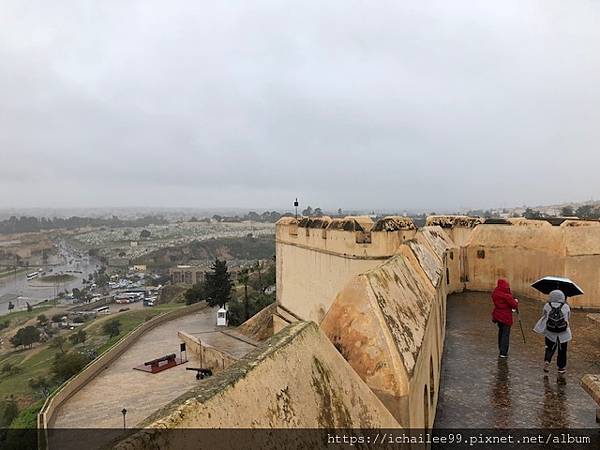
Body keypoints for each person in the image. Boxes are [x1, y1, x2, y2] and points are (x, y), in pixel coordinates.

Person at [533, 289, 571, 374]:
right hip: (563, 332)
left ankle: (547, 360)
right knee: (562, 350)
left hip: (550, 331)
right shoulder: (566, 306)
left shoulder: (547, 305)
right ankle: (561, 367)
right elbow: (568, 318)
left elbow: (544, 315)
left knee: (549, 347)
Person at [491, 279, 519, 358]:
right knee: (505, 335)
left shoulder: (495, 293)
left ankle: (500, 349)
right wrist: (516, 301)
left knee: (501, 332)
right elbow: (514, 305)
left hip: (498, 316)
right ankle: (503, 352)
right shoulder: (506, 295)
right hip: (506, 317)